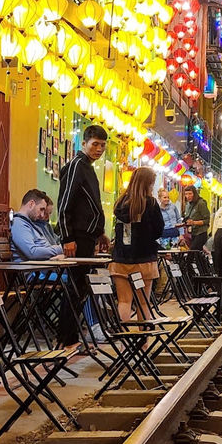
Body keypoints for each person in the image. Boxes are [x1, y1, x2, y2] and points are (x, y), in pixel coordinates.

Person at [57, 124, 109, 346]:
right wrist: (67, 238)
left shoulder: (87, 167)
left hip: (88, 237)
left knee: (81, 288)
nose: (99, 149)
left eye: (102, 145)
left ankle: (72, 337)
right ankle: (67, 339)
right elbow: (64, 203)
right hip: (76, 237)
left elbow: (90, 206)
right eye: (95, 144)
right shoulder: (77, 165)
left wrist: (100, 233)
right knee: (76, 287)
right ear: (84, 143)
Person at [109, 167, 164, 322]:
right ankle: (143, 344)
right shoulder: (151, 203)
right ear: (147, 184)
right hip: (144, 259)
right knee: (143, 303)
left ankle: (123, 343)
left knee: (124, 301)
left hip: (121, 259)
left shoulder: (120, 203)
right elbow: (159, 230)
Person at [11, 189, 64, 261]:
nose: (42, 215)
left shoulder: (32, 224)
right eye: (41, 209)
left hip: (45, 268)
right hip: (33, 270)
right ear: (31, 204)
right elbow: (32, 252)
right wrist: (61, 249)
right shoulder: (19, 224)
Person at [183, 186, 210, 251]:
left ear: (194, 194)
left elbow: (207, 220)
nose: (188, 196)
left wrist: (194, 222)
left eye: (190, 194)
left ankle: (188, 261)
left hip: (201, 233)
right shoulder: (188, 204)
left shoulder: (201, 203)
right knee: (197, 255)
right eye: (186, 194)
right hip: (193, 233)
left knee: (192, 252)